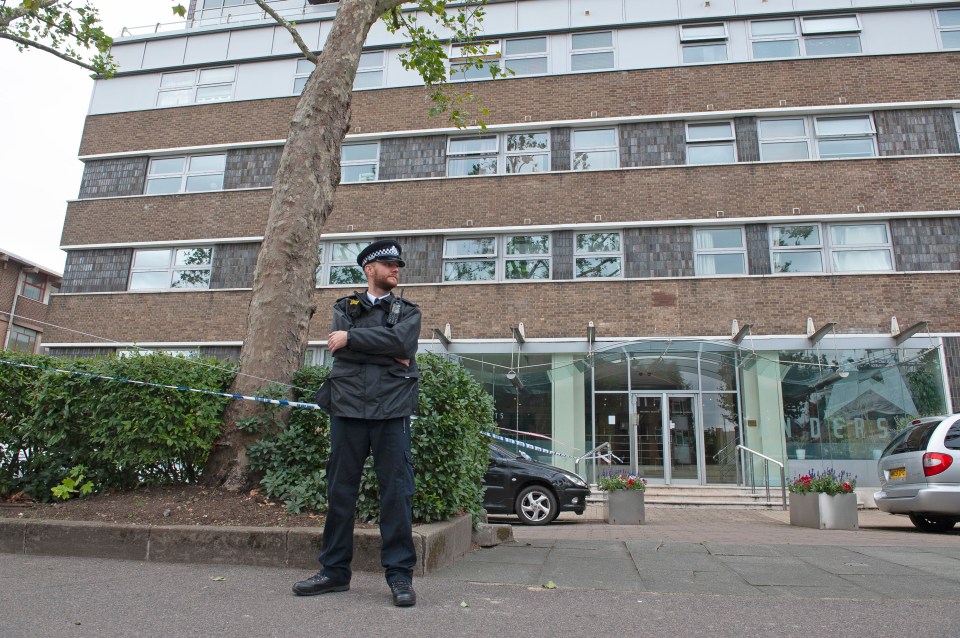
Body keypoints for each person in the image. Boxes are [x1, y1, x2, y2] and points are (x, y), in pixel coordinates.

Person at [293, 239, 421, 607]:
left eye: (398, 265)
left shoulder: (408, 312)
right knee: (340, 494)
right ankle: (334, 573)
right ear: (370, 269)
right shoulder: (344, 307)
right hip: (347, 409)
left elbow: (404, 345)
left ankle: (400, 577)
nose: (396, 269)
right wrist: (386, 352)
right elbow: (343, 353)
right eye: (390, 265)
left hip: (392, 413)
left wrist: (354, 339)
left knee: (397, 495)